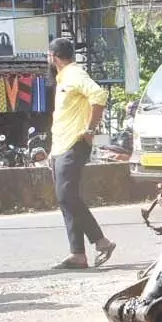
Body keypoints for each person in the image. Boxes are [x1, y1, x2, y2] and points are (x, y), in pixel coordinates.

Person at [47, 37, 116, 269]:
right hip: (60, 146)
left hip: (75, 144)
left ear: (53, 57)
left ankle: (101, 241)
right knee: (64, 198)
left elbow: (99, 95)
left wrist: (90, 129)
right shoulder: (63, 79)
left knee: (67, 196)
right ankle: (77, 253)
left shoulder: (75, 74)